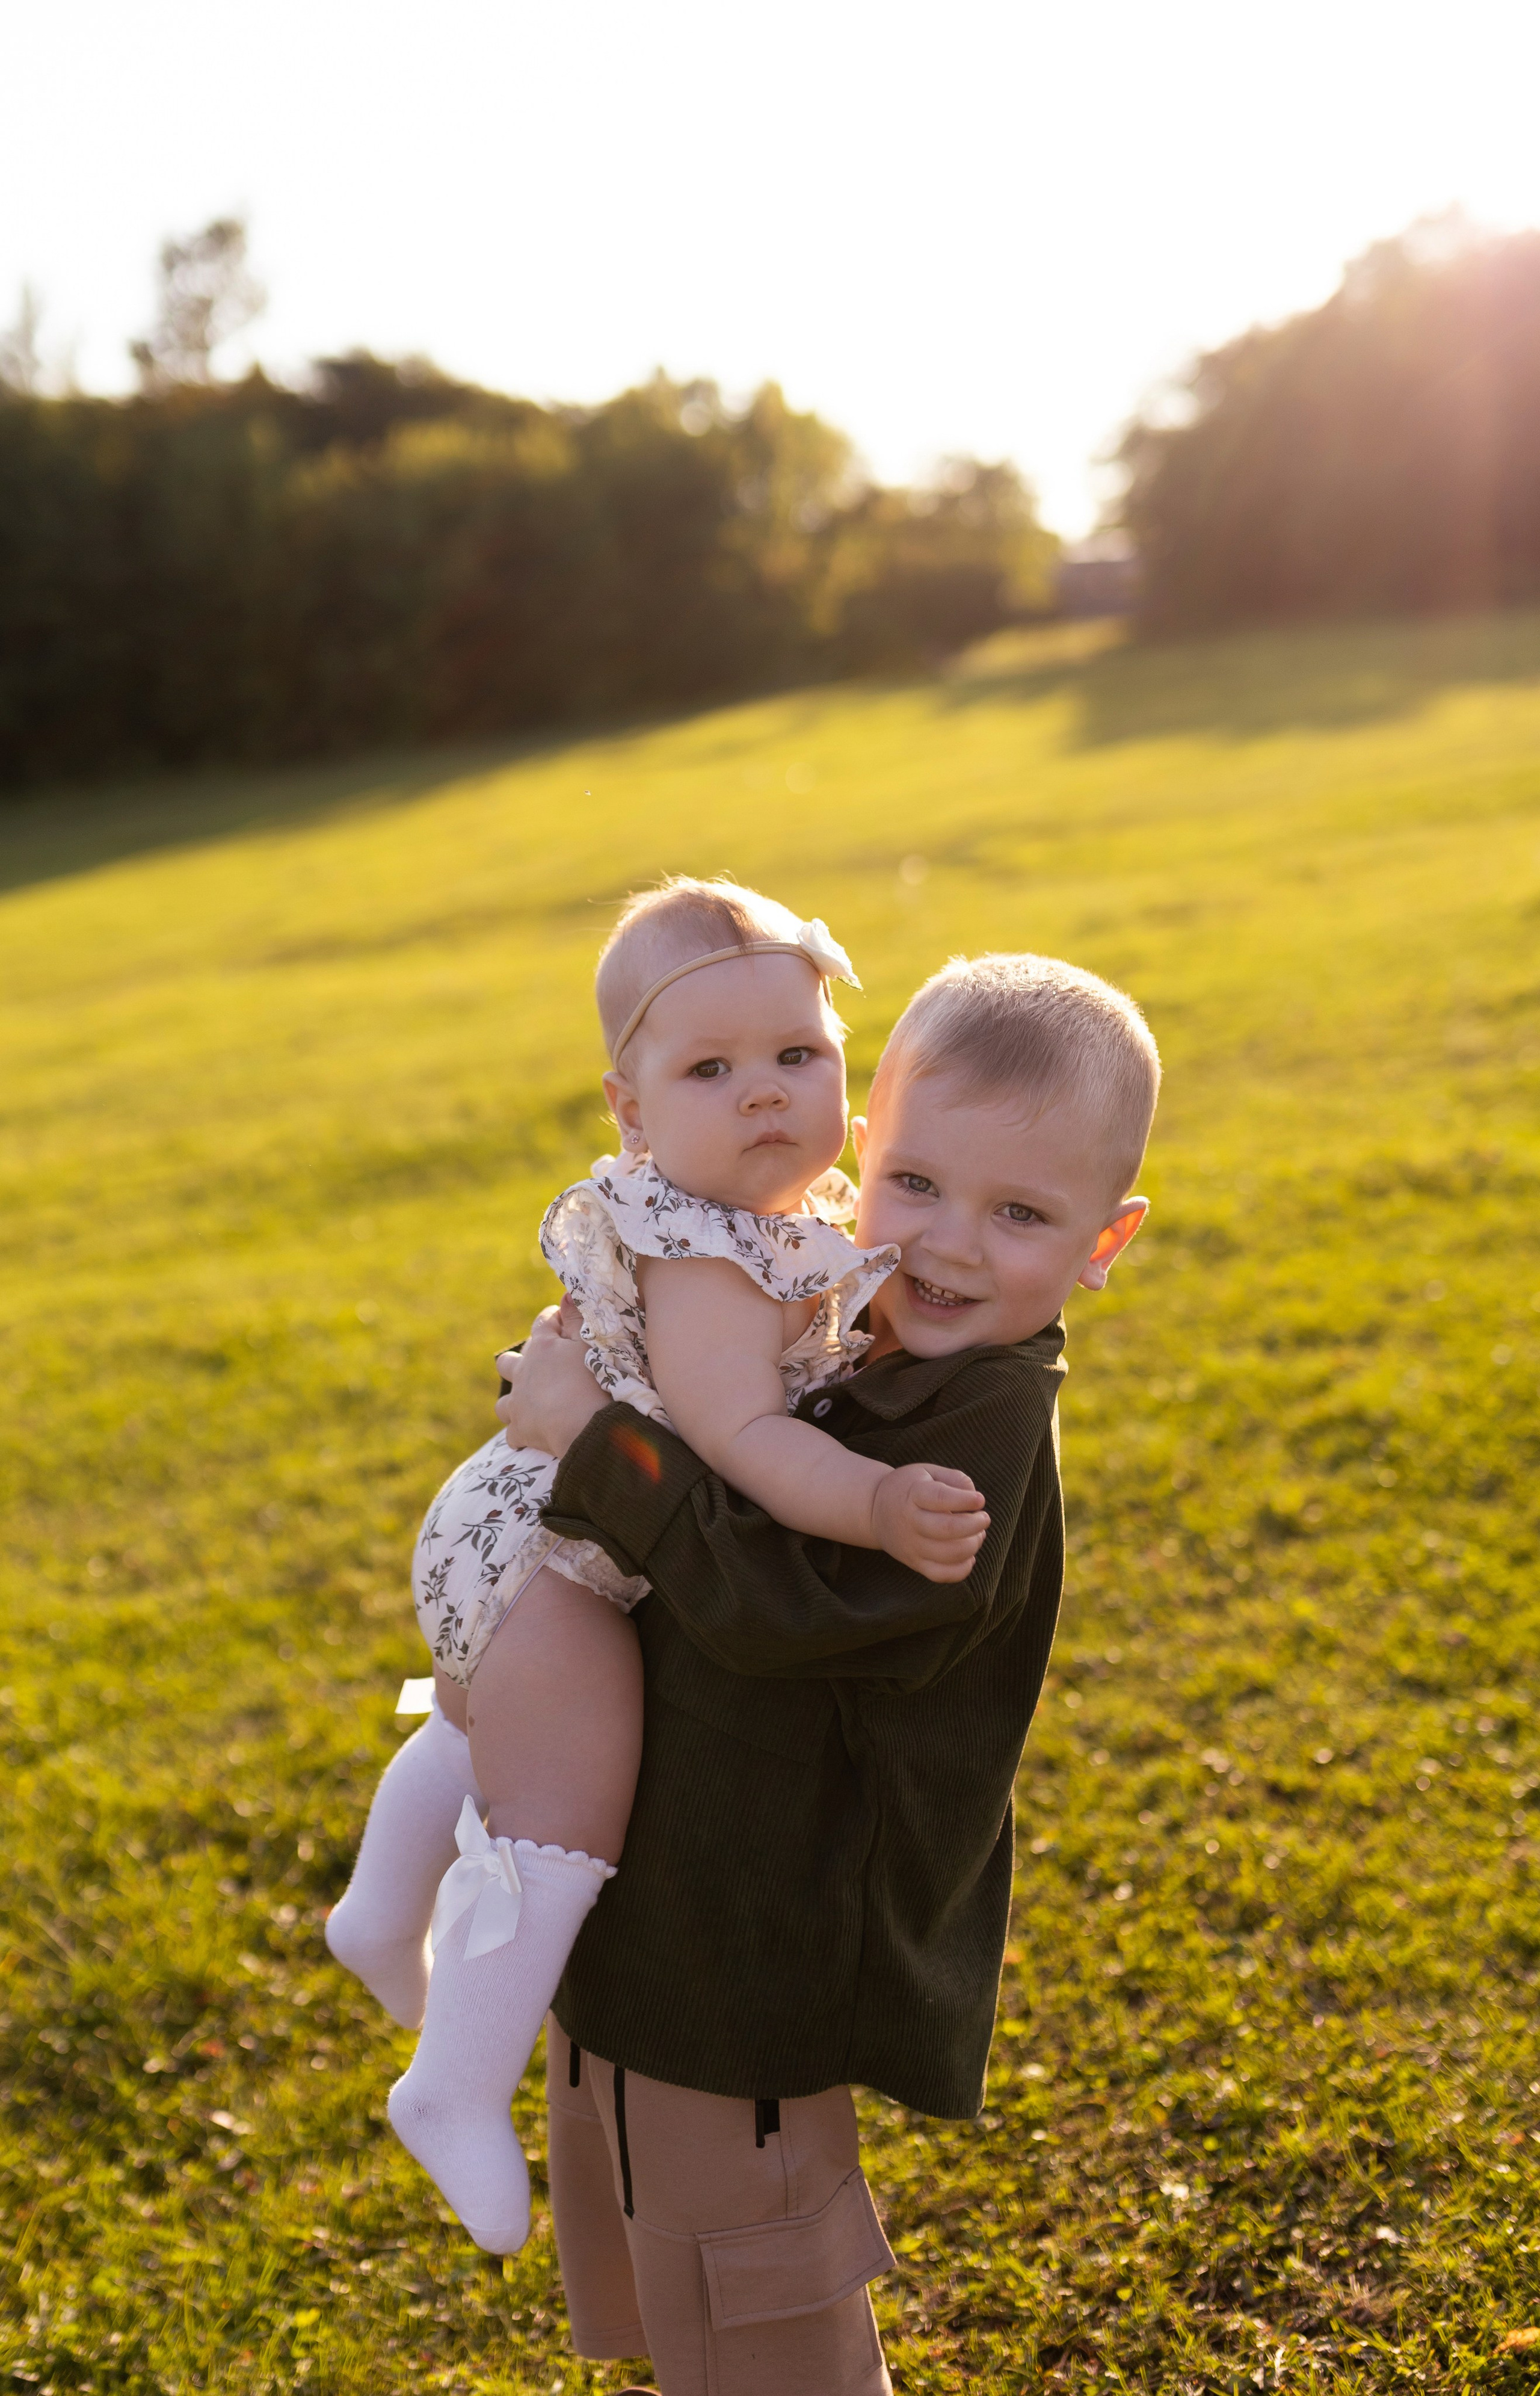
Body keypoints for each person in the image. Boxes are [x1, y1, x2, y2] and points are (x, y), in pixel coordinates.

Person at [497, 948, 1160, 2396]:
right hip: (674, 1882)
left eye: (1021, 1213)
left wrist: (590, 1439)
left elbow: (781, 1604)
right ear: (860, 1149)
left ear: (1103, 1245)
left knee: (759, 2288)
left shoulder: (975, 1435)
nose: (948, 1246)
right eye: (916, 1184)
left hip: (770, 1924)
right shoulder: (842, 1318)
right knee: (668, 2245)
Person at [325, 878, 990, 2253]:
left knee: (473, 1717)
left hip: (541, 1515)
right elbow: (743, 1439)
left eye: (796, 1055)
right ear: (629, 1110)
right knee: (569, 1780)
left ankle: (381, 1914)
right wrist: (874, 1500)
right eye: (710, 1068)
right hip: (556, 1538)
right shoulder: (701, 1258)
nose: (763, 1094)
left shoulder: (770, 1224)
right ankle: (450, 2082)